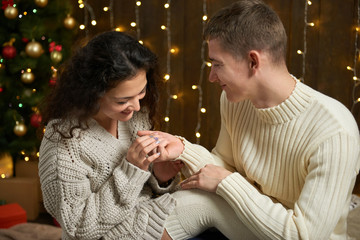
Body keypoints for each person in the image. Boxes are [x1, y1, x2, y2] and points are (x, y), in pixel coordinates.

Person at [139, 0, 360, 239]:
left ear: (253, 61)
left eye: (217, 64)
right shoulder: (236, 100)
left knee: (199, 202)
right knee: (183, 203)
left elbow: (304, 235)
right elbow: (224, 166)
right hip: (249, 219)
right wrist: (183, 149)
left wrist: (227, 183)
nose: (212, 76)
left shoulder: (335, 131)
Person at [38, 31, 184, 240]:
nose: (136, 106)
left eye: (141, 92)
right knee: (207, 209)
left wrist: (160, 176)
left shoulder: (136, 117)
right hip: (109, 234)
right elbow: (78, 226)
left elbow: (144, 191)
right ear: (92, 92)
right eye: (122, 100)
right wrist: (130, 171)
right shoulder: (64, 141)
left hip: (145, 216)